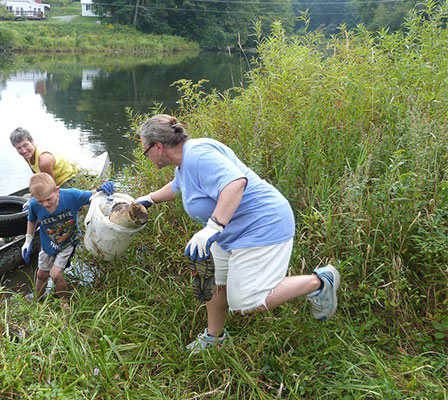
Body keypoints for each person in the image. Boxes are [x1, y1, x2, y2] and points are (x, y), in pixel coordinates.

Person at [135, 114, 341, 352]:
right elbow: (177, 186)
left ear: (158, 147)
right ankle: (215, 337)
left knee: (246, 301)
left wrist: (212, 227)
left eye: (145, 151)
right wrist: (149, 199)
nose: (146, 156)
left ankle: (319, 282)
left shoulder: (199, 155)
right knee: (209, 274)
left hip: (262, 225)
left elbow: (235, 183)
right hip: (232, 232)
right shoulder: (185, 163)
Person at [21, 172, 115, 308]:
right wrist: (28, 241)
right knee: (41, 274)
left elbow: (93, 195)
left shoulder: (71, 196)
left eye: (48, 199)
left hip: (68, 242)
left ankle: (64, 303)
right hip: (48, 244)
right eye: (40, 201)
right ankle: (37, 302)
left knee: (56, 275)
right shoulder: (35, 204)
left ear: (56, 190)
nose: (45, 204)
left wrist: (103, 189)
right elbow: (32, 220)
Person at [10, 127, 80, 187]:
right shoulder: (27, 155)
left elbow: (51, 187)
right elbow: (38, 177)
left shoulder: (44, 160)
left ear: (32, 141)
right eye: (19, 148)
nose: (23, 150)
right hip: (57, 183)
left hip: (71, 180)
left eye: (25, 145)